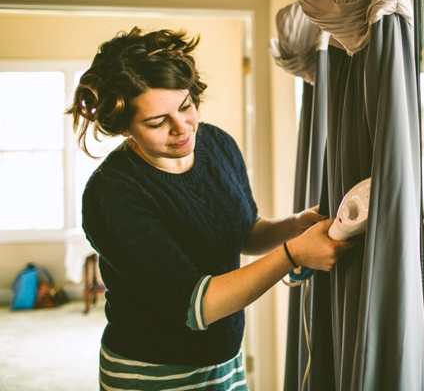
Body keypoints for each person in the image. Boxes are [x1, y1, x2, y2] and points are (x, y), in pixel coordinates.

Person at [66, 27, 352, 391]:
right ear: (124, 127)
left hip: (225, 359)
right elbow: (195, 305)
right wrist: (294, 254)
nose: (182, 128)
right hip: (152, 372)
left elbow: (243, 233)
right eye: (157, 122)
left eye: (185, 107)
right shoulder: (111, 194)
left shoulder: (217, 144)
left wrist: (293, 226)